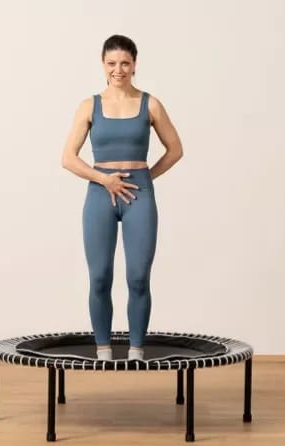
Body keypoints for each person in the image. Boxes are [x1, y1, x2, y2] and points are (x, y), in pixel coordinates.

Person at [61, 34, 184, 361]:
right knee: (100, 275)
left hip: (138, 196)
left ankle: (135, 351)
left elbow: (176, 150)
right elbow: (68, 158)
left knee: (138, 277)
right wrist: (105, 179)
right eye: (112, 63)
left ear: (134, 65)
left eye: (125, 63)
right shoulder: (89, 105)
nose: (119, 69)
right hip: (100, 195)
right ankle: (103, 350)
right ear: (103, 65)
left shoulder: (150, 104)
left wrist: (143, 179)